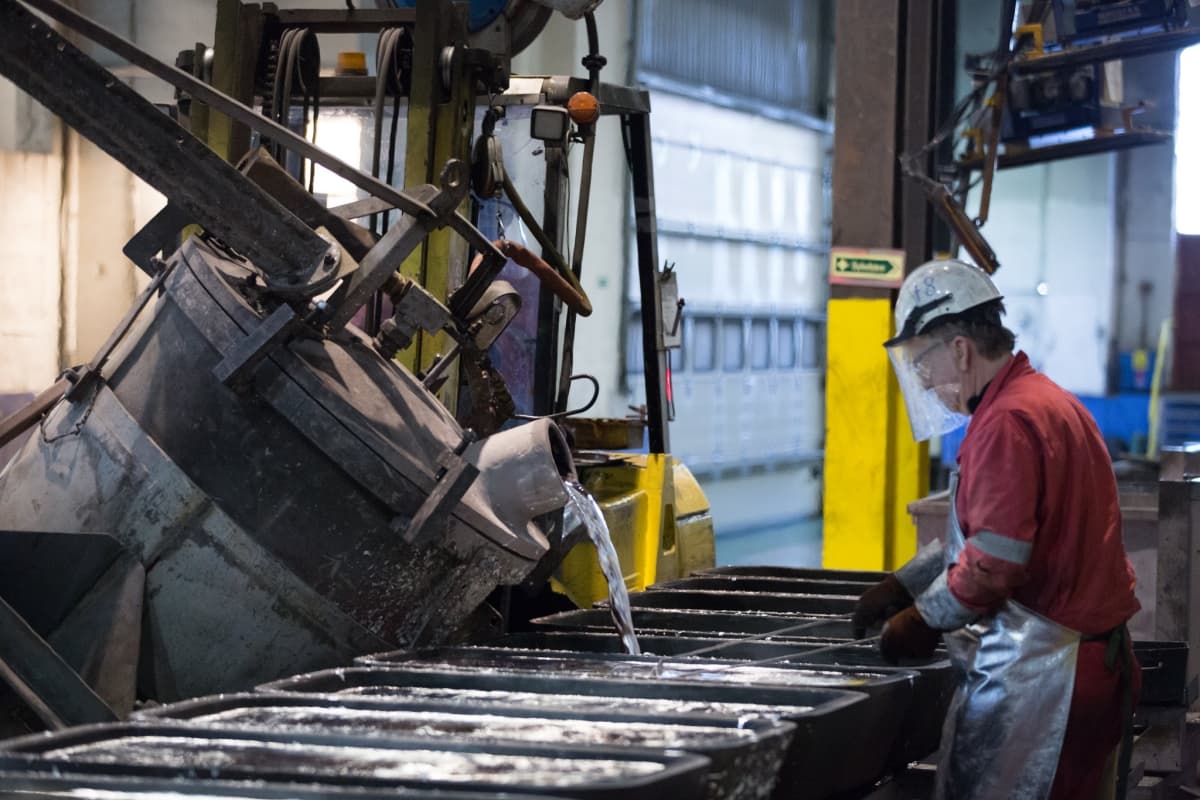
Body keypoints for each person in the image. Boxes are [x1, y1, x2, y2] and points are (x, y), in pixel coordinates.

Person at [852, 259, 1141, 800]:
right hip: (1090, 665)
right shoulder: (1045, 401)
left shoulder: (1006, 421)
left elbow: (994, 563)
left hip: (1048, 679)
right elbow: (1002, 533)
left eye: (923, 363)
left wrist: (922, 619)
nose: (923, 380)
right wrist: (908, 581)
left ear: (960, 349)